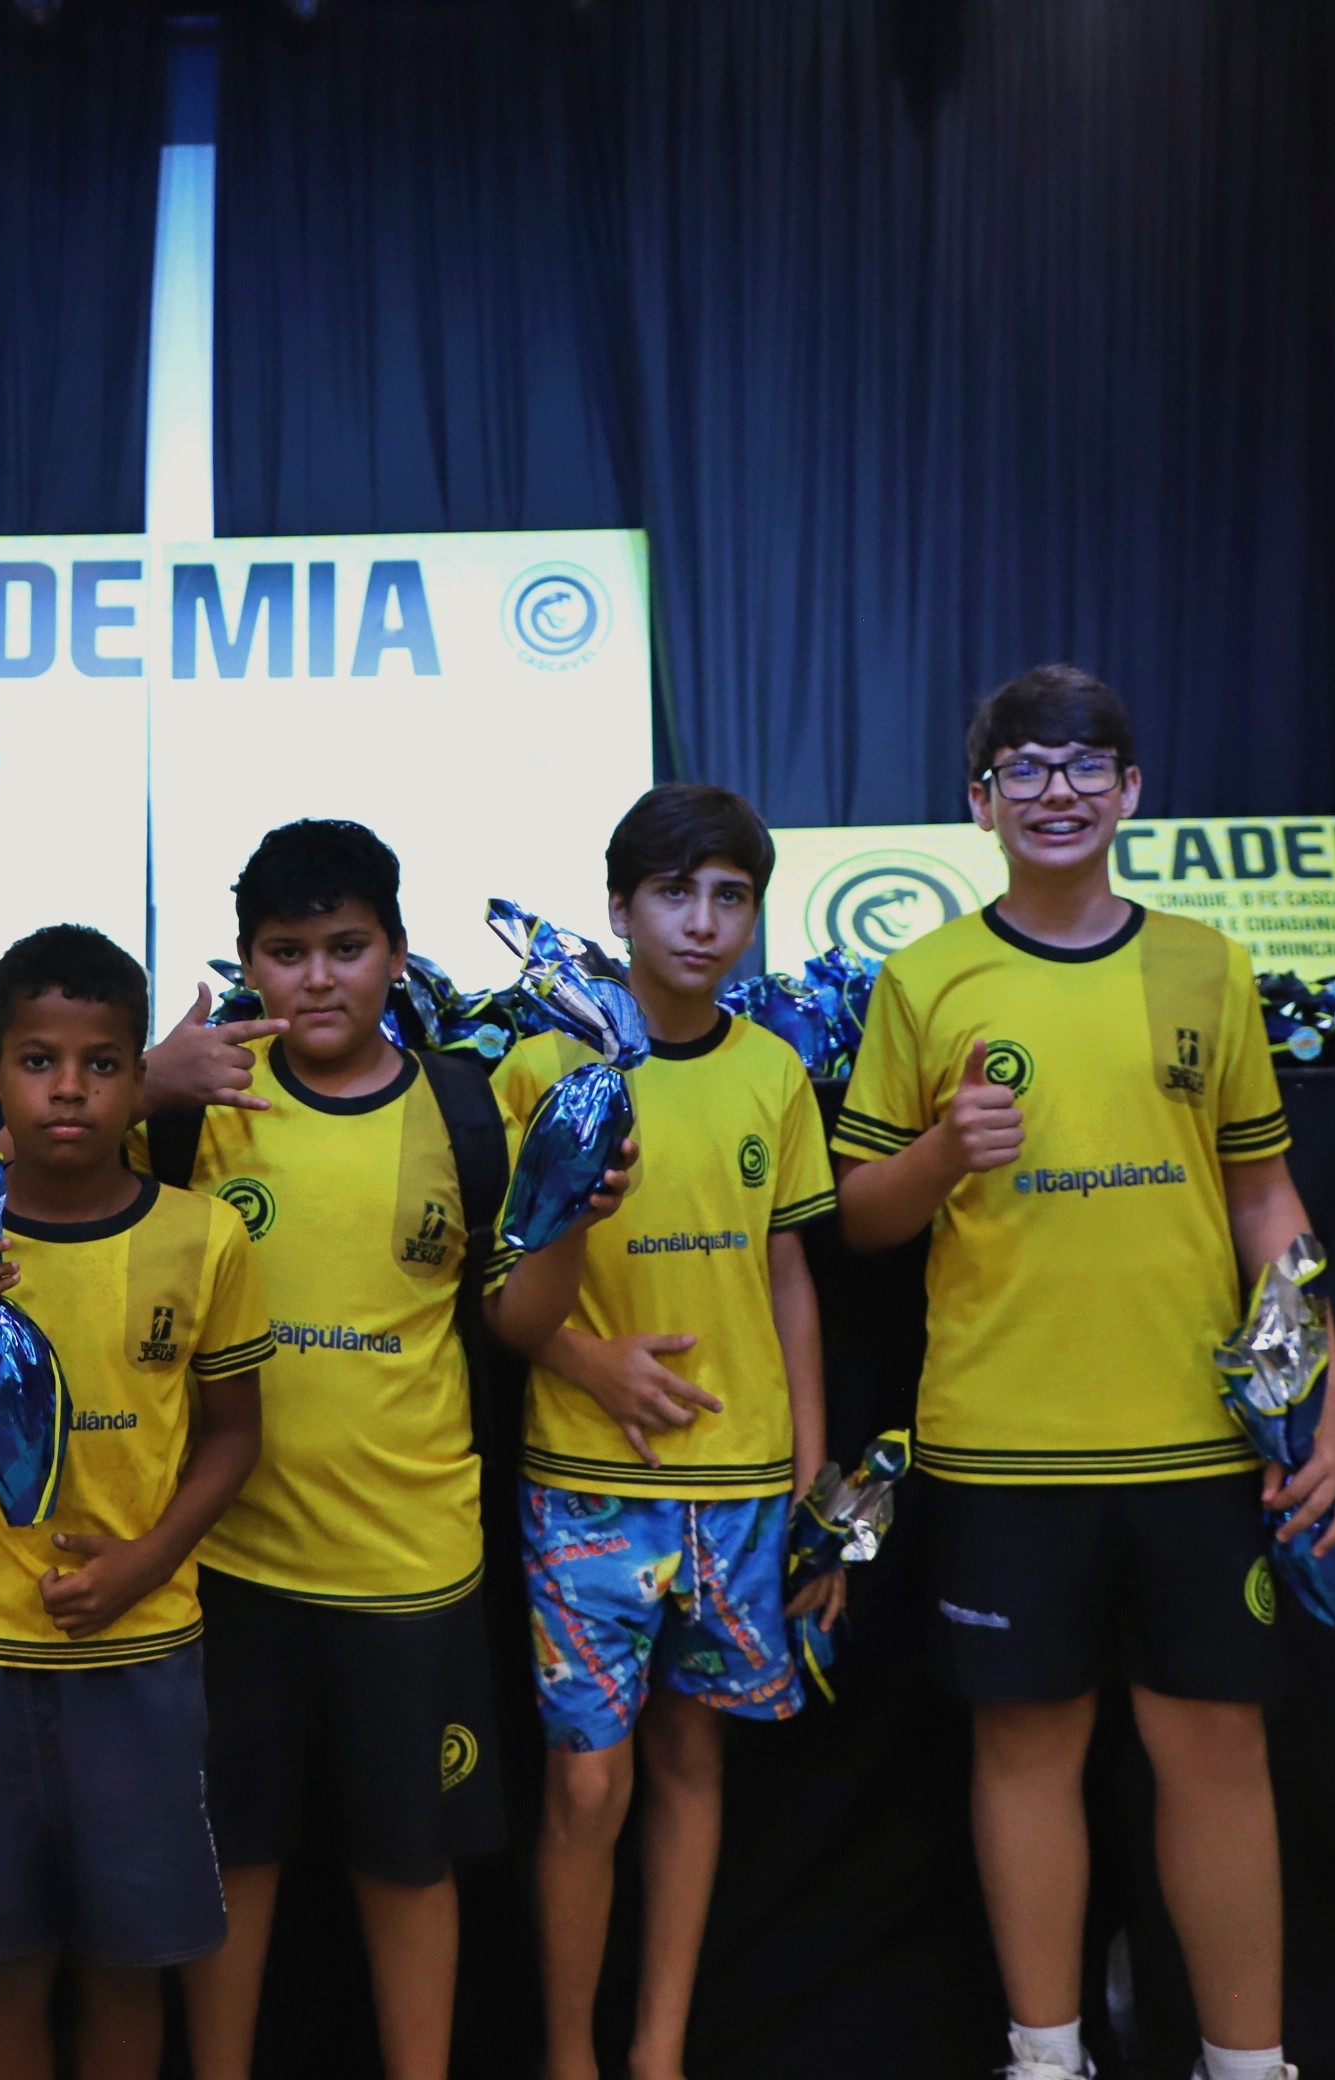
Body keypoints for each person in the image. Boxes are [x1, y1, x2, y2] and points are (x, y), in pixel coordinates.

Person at [829, 664, 1335, 2080]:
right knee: (1025, 1752)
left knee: (1218, 1752)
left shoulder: (1206, 966)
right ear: (980, 802)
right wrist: (942, 1152)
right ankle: (1045, 2054)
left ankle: (1247, 2063)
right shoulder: (924, 978)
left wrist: (1333, 1402)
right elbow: (862, 1218)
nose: (1056, 790)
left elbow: (1265, 1199)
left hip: (1198, 1439)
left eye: (1085, 766)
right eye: (1024, 767)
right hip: (1003, 1442)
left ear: (1131, 791)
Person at [0, 924, 269, 2080]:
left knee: (128, 1969)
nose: (68, 1088)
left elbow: (236, 1435)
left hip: (142, 1660)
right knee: (4, 1973)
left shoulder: (204, 1234)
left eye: (100, 1063)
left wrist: (147, 1558)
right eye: (38, 1061)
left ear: (139, 1079)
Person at [484, 784, 845, 2080]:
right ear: (618, 907)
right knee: (588, 1781)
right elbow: (498, 1287)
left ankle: (661, 2051)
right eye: (674, 893)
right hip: (588, 1483)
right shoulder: (540, 1071)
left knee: (695, 1762)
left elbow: (789, 1276)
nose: (702, 922)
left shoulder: (773, 1072)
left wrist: (814, 1484)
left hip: (741, 1487)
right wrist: (591, 1362)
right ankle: (568, 2055)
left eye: (730, 896)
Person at [140, 820, 507, 2080]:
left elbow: (515, 1313)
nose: (317, 977)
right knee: (232, 1856)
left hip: (411, 1568)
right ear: (247, 963)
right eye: (285, 951)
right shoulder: (199, 1106)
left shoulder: (468, 1107)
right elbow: (40, 1171)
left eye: (346, 947)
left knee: (410, 1862)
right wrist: (146, 1083)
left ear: (397, 953)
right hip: (232, 1561)